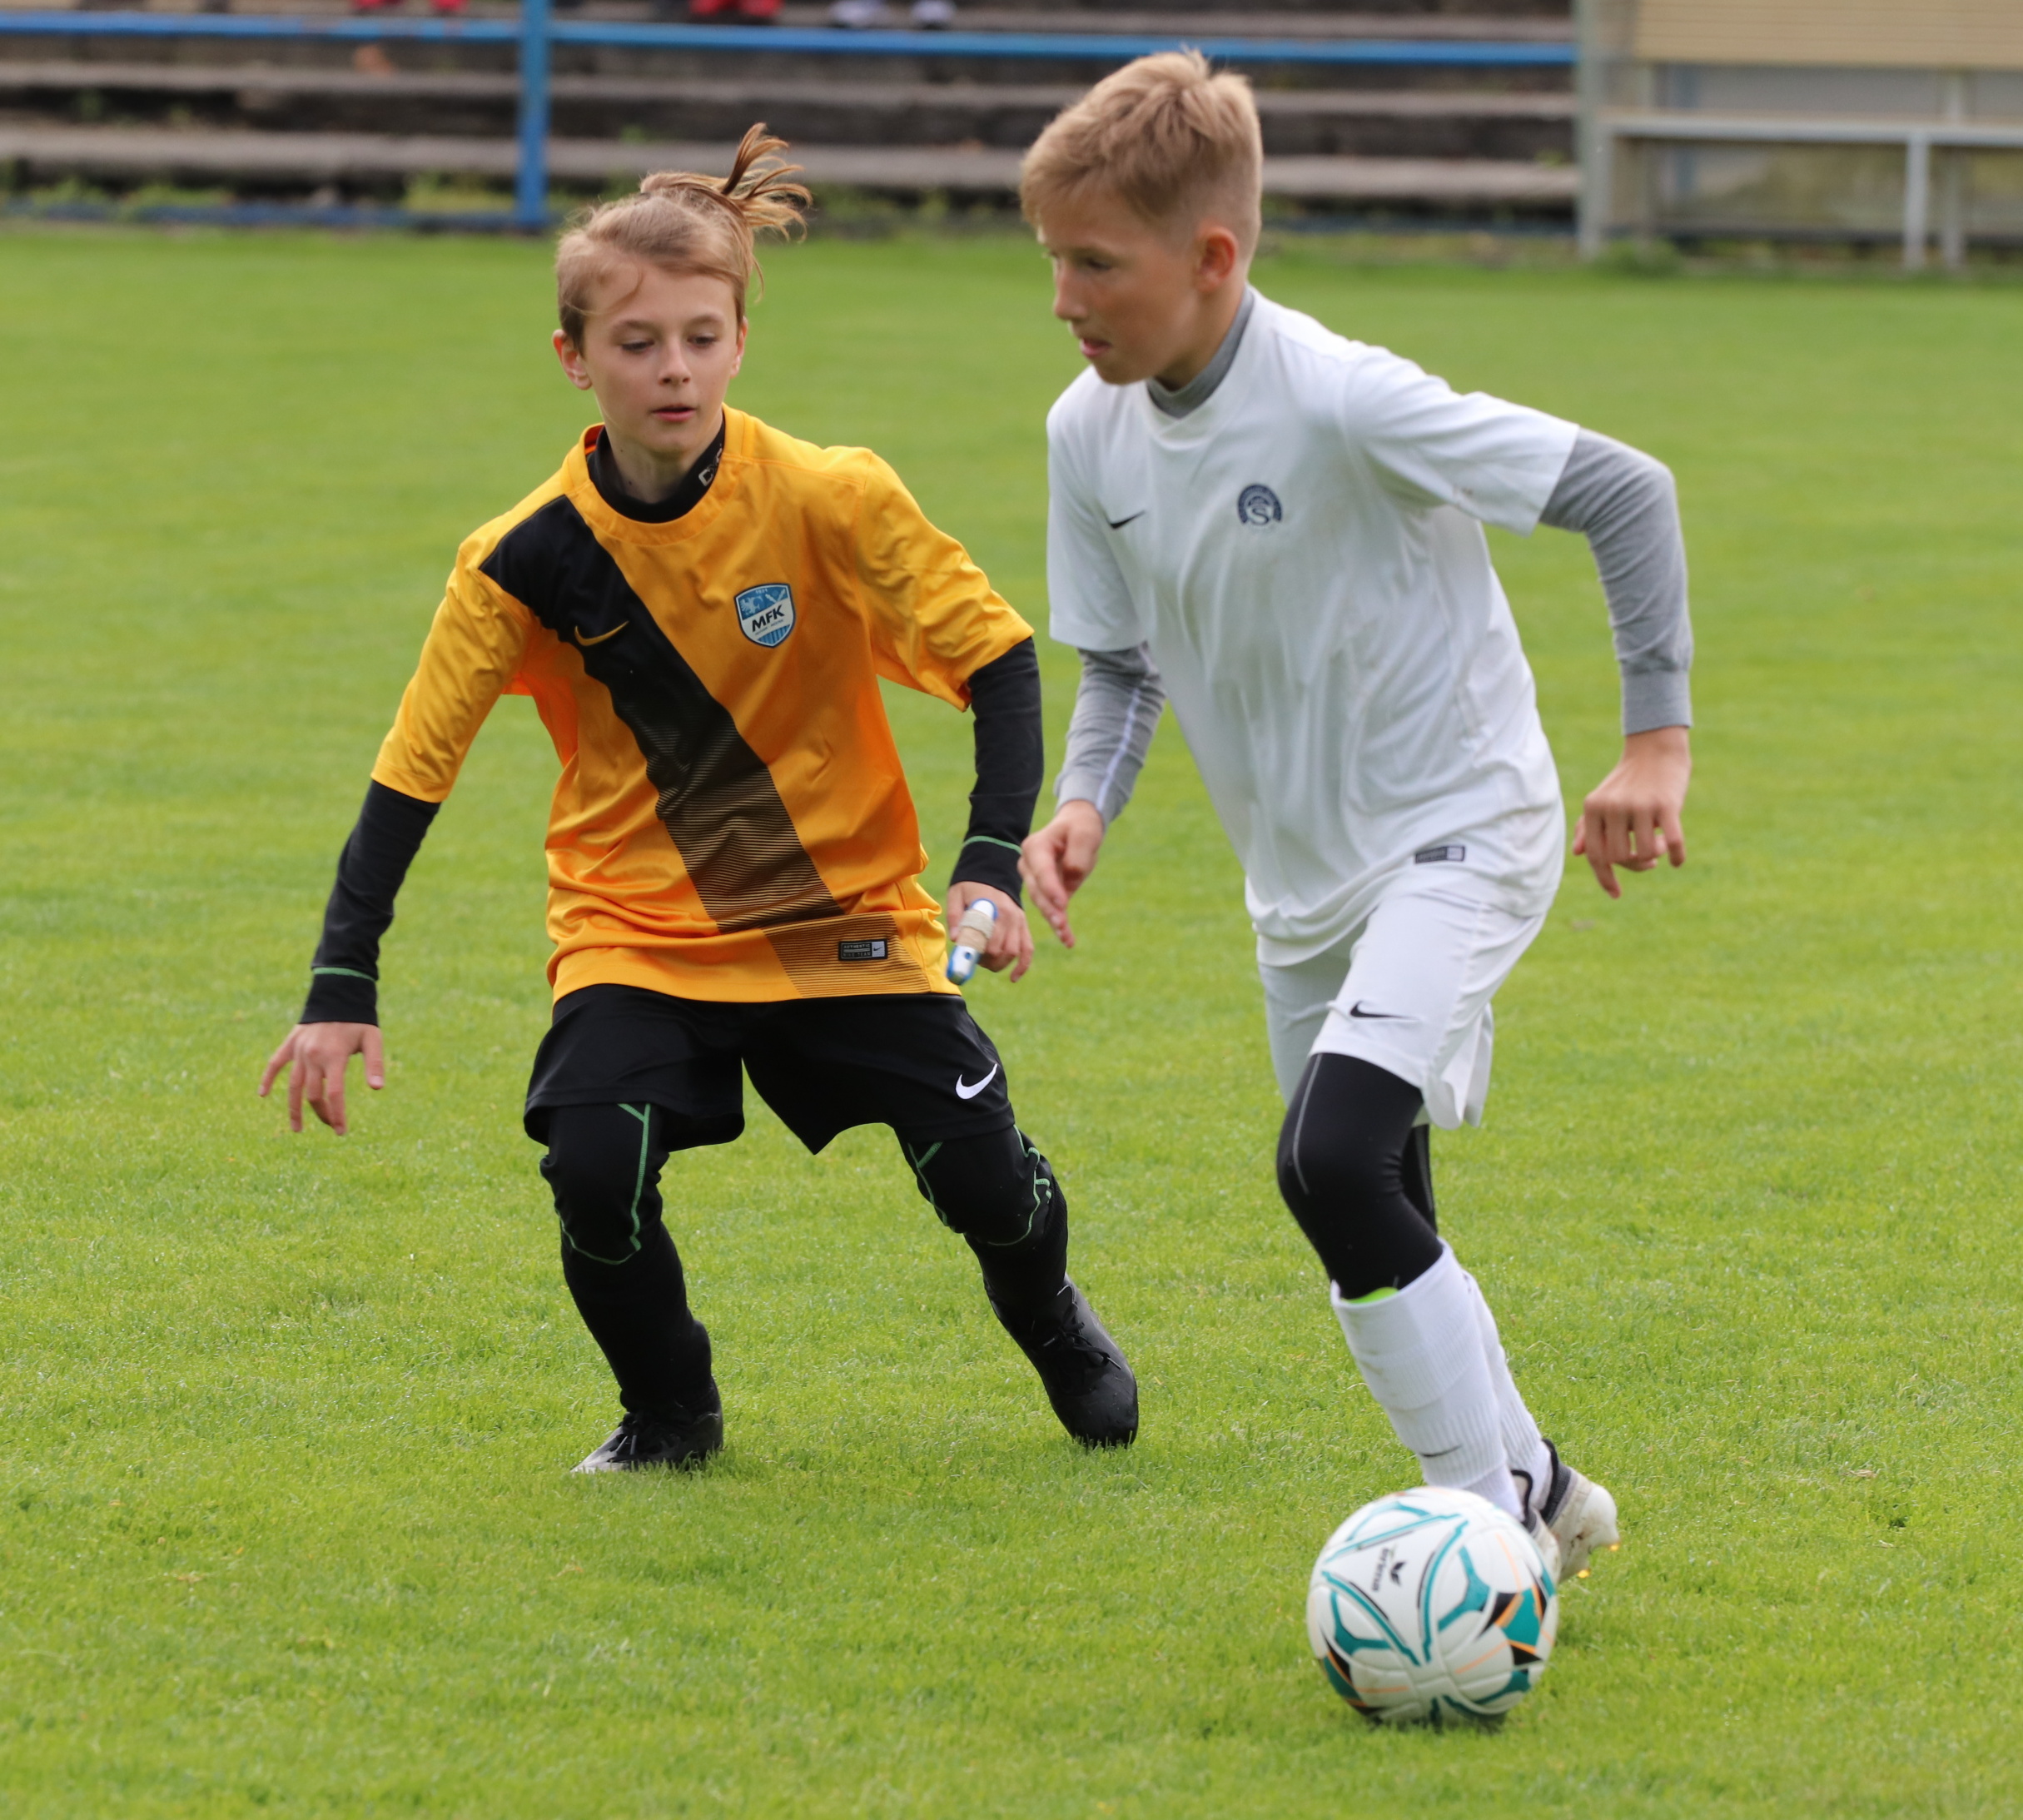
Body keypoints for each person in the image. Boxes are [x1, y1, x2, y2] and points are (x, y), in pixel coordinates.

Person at [258, 127, 1137, 1472]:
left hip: (846, 916)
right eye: (636, 342)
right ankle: (670, 1413)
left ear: (738, 344)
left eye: (699, 337)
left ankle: (1051, 1319)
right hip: (641, 933)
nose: (672, 367)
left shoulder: (832, 495)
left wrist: (984, 865)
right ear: (575, 357)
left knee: (983, 1180)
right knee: (592, 1173)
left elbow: (999, 658)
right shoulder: (519, 560)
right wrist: (340, 980)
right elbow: (411, 770)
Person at [1018, 55, 1694, 1574]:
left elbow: (1625, 491)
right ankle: (1540, 1486)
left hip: (1462, 823)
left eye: (1095, 264)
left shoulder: (1341, 396)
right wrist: (1082, 803)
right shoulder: (1086, 431)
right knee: (1367, 1198)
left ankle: (1486, 1533)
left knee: (1327, 1161)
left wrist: (1652, 744)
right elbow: (1122, 660)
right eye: (1050, 259)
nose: (1063, 298)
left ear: (1212, 257)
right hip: (1300, 885)